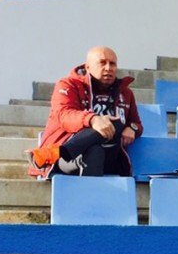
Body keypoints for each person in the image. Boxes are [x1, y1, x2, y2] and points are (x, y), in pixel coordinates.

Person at [26, 46, 143, 179]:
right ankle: (61, 154)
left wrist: (132, 128)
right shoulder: (68, 84)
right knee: (95, 150)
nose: (108, 68)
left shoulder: (125, 93)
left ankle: (56, 153)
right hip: (71, 159)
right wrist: (92, 119)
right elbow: (64, 115)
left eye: (112, 64)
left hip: (110, 154)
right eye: (102, 63)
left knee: (116, 123)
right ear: (87, 67)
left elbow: (137, 123)